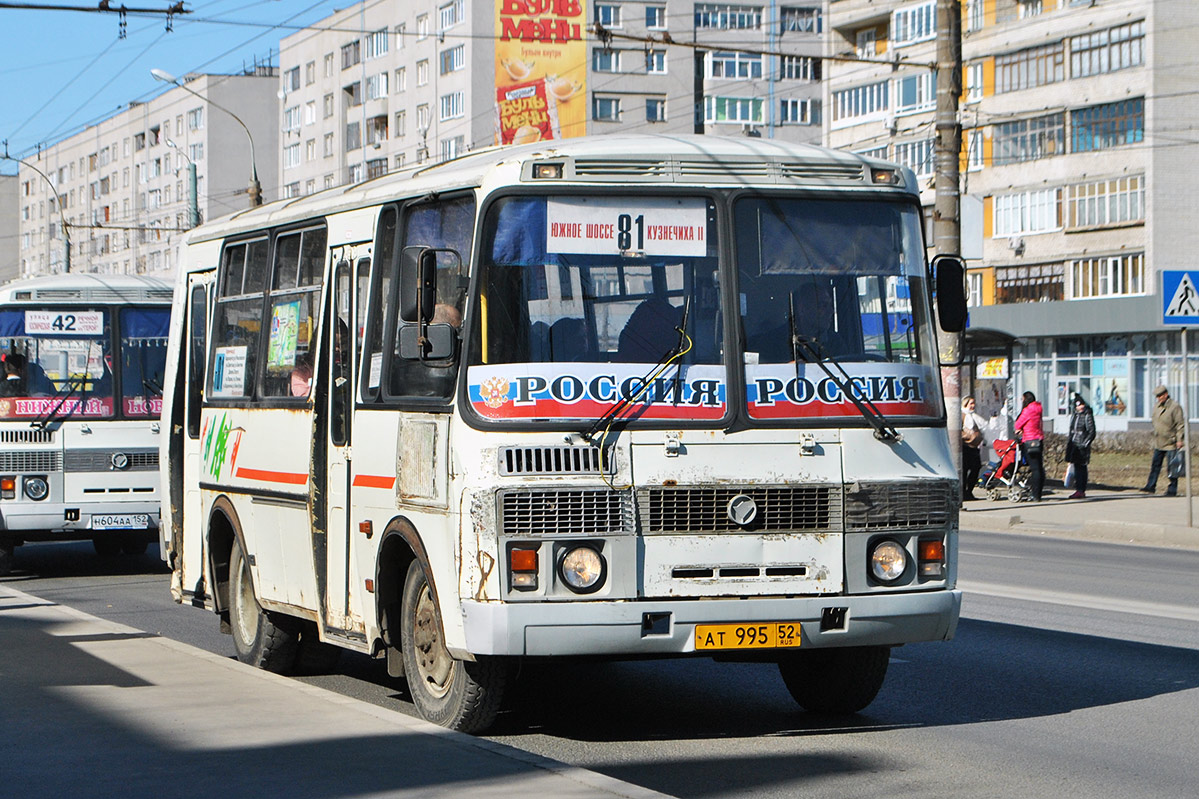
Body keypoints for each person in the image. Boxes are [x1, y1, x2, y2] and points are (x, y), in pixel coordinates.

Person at [1140, 384, 1186, 496]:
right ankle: (1150, 486)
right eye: (1157, 396)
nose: (1159, 398)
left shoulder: (1175, 407)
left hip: (1171, 442)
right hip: (1159, 441)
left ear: (1166, 394)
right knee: (1155, 465)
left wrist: (1179, 439)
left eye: (1160, 395)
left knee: (1172, 467)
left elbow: (1180, 425)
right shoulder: (1157, 406)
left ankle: (1172, 489)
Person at [1014, 390, 1045, 501]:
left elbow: (1018, 424)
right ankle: (1038, 493)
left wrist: (1020, 429)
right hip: (1039, 439)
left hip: (1029, 441)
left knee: (1034, 468)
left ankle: (1035, 495)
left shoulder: (1027, 410)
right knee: (1039, 467)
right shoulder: (1038, 408)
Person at [1065, 394, 1096, 499]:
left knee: (1082, 468)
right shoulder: (1075, 415)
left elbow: (1092, 432)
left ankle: (1081, 490)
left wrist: (1084, 444)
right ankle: (1078, 489)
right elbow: (1072, 431)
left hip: (1082, 445)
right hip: (1074, 445)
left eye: (1082, 404)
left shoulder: (1087, 414)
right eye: (1078, 405)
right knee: (1077, 468)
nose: (1080, 407)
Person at [961, 396, 986, 500]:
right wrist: (968, 435)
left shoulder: (975, 416)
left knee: (976, 467)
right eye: (970, 403)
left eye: (973, 403)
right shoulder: (962, 416)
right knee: (964, 469)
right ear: (965, 404)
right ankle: (963, 493)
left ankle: (969, 491)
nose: (973, 405)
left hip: (975, 446)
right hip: (965, 446)